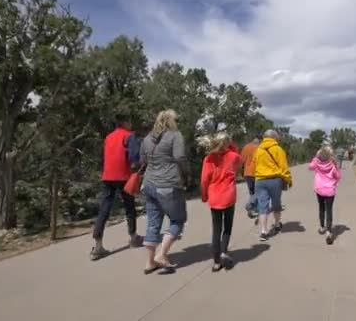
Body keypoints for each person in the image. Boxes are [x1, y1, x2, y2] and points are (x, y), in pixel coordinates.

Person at [140, 109, 191, 275]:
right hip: (168, 184)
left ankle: (149, 263)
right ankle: (161, 255)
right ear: (172, 121)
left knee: (153, 223)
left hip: (148, 184)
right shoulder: (175, 136)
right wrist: (186, 173)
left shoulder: (147, 138)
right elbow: (179, 157)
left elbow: (143, 160)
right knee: (178, 219)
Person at [91, 114, 144, 261]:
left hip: (108, 176)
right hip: (124, 176)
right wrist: (140, 166)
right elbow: (134, 158)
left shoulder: (108, 137)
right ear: (125, 123)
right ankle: (133, 238)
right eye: (130, 121)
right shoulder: (129, 136)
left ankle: (98, 245)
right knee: (129, 207)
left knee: (104, 209)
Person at [199, 132, 243, 272]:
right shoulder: (233, 156)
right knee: (227, 226)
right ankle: (224, 252)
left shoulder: (208, 159)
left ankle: (216, 262)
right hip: (228, 195)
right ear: (228, 143)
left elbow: (204, 179)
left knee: (216, 229)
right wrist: (231, 146)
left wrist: (204, 195)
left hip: (214, 195)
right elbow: (240, 160)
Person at [253, 129, 292, 241]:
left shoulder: (258, 150)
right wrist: (288, 180)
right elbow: (284, 166)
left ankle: (263, 231)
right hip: (275, 180)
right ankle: (277, 225)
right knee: (276, 203)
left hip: (260, 180)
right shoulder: (278, 149)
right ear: (274, 137)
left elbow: (255, 163)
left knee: (262, 205)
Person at [308, 146, 342, 245]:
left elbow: (310, 167)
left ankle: (322, 227)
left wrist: (316, 158)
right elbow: (338, 177)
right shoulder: (332, 165)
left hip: (319, 189)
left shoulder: (317, 163)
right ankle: (328, 232)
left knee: (321, 208)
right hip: (330, 190)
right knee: (329, 210)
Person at [240, 136, 261, 219]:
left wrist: (242, 171)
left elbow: (241, 160)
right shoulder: (259, 148)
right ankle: (251, 206)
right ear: (259, 141)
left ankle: (254, 208)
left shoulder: (246, 147)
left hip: (247, 173)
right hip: (256, 173)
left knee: (252, 192)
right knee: (258, 191)